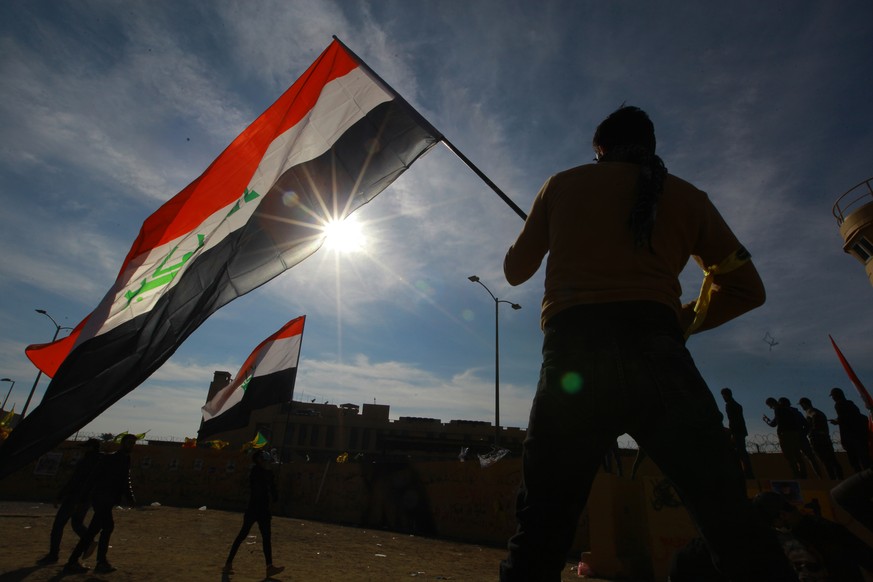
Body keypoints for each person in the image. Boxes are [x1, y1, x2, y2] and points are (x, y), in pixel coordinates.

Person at [499, 105, 795, 581]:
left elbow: (515, 272)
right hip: (660, 353)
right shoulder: (688, 198)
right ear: (652, 148)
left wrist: (547, 230)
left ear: (600, 148)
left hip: (574, 356)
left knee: (542, 524)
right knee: (729, 520)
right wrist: (681, 322)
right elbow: (746, 289)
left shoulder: (562, 185)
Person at [753, 490, 873, 581]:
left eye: (775, 524)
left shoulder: (813, 534)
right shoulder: (824, 526)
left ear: (783, 515)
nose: (777, 528)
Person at [64, 434, 137, 574]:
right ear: (122, 443)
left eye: (133, 443)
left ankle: (73, 561)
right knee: (108, 527)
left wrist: (130, 496)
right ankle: (101, 562)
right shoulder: (111, 458)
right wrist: (83, 498)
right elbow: (92, 478)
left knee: (92, 532)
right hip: (102, 498)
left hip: (107, 499)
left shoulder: (124, 459)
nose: (131, 446)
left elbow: (124, 479)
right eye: (129, 443)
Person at [36, 438, 101, 565]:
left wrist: (61, 496)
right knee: (77, 523)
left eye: (86, 447)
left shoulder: (86, 462)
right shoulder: (100, 462)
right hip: (86, 498)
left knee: (59, 525)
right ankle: (88, 541)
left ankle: (53, 554)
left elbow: (75, 480)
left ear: (91, 448)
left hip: (75, 497)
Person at [223, 450, 284, 578]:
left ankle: (269, 567)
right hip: (256, 509)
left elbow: (274, 494)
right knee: (243, 536)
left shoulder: (265, 473)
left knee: (265, 538)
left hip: (261, 510)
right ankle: (228, 564)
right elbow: (260, 490)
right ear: (259, 461)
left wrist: (272, 485)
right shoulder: (256, 472)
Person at [798, 397, 843, 480]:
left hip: (817, 439)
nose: (802, 407)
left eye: (801, 405)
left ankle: (832, 479)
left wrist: (812, 430)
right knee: (832, 460)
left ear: (804, 404)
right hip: (825, 437)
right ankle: (840, 478)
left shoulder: (810, 411)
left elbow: (815, 415)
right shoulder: (820, 411)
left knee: (825, 461)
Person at [829, 387, 872, 473]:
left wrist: (837, 421)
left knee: (855, 461)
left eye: (833, 396)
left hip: (850, 438)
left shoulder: (839, 405)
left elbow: (844, 418)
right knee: (865, 459)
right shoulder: (851, 404)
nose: (833, 398)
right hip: (860, 436)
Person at [764, 397, 807, 479]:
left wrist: (766, 420)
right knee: (798, 455)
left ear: (770, 404)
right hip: (795, 434)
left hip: (785, 435)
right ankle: (804, 476)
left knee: (789, 457)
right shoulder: (789, 410)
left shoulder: (778, 409)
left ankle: (797, 475)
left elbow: (774, 424)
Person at [781, 397, 822, 478]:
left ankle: (803, 478)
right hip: (801, 437)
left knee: (798, 459)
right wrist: (803, 434)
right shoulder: (797, 412)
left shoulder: (784, 413)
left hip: (793, 438)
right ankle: (820, 476)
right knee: (811, 458)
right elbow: (806, 425)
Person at [721, 388, 755, 479]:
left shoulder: (729, 405)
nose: (723, 398)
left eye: (723, 396)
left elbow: (732, 420)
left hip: (736, 431)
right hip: (741, 430)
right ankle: (748, 473)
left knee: (738, 453)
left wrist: (731, 432)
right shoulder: (737, 405)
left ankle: (745, 473)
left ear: (725, 395)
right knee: (742, 452)